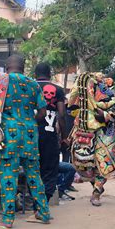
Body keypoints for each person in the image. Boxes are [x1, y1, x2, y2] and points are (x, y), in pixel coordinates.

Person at [0, 54, 50, 228]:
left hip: (8, 136)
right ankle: (43, 213)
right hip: (30, 135)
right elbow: (43, 113)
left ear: (7, 66)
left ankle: (7, 218)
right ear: (23, 67)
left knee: (9, 175)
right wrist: (28, 121)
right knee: (34, 175)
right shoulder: (33, 84)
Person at [68, 72, 115, 206]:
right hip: (83, 133)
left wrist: (105, 115)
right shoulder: (79, 93)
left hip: (105, 133)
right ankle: (97, 187)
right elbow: (70, 106)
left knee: (104, 163)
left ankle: (96, 192)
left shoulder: (106, 93)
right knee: (85, 165)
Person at [35, 63, 68, 202]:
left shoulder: (31, 87)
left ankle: (34, 199)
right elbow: (61, 115)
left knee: (33, 168)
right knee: (50, 170)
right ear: (50, 73)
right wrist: (64, 137)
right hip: (50, 135)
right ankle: (45, 202)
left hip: (31, 135)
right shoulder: (58, 90)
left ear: (35, 74)